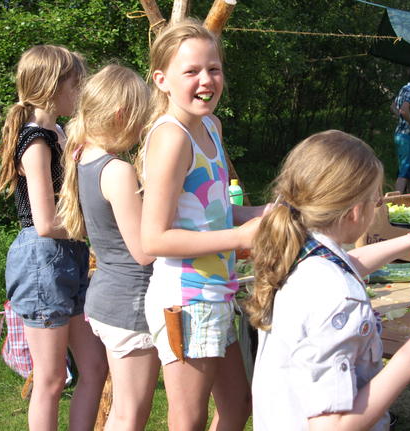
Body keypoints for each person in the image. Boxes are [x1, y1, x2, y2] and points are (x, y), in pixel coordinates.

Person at [246, 130, 410, 431]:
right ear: (355, 211)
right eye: (376, 200)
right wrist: (409, 360)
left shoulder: (299, 251)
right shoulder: (337, 296)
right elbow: (331, 426)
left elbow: (348, 263)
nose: (377, 206)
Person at [139, 19, 265, 430]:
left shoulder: (211, 126)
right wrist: (239, 236)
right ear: (162, 80)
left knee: (237, 406)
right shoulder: (171, 138)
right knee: (188, 418)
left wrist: (269, 213)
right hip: (187, 299)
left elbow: (216, 214)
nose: (206, 80)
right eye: (191, 71)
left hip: (217, 292)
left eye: (214, 69)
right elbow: (153, 238)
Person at [0, 45, 107, 431]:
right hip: (43, 259)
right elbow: (44, 222)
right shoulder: (36, 141)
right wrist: (96, 226)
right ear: (52, 87)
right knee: (52, 378)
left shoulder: (58, 133)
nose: (82, 91)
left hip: (69, 255)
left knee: (95, 365)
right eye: (77, 83)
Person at [56, 64, 160, 430]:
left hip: (107, 298)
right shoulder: (117, 170)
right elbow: (144, 250)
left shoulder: (82, 154)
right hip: (129, 301)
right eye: (140, 119)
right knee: (131, 414)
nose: (142, 128)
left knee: (122, 411)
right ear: (121, 116)